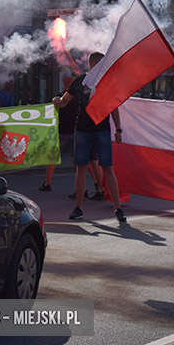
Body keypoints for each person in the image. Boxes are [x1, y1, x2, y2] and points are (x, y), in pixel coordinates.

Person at [52, 52, 126, 223]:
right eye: (101, 64)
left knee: (107, 168)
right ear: (94, 64)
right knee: (81, 168)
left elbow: (113, 107)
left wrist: (118, 129)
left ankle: (118, 208)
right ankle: (79, 207)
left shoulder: (107, 82)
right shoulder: (81, 81)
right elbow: (65, 101)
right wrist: (57, 101)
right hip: (83, 130)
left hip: (101, 129)